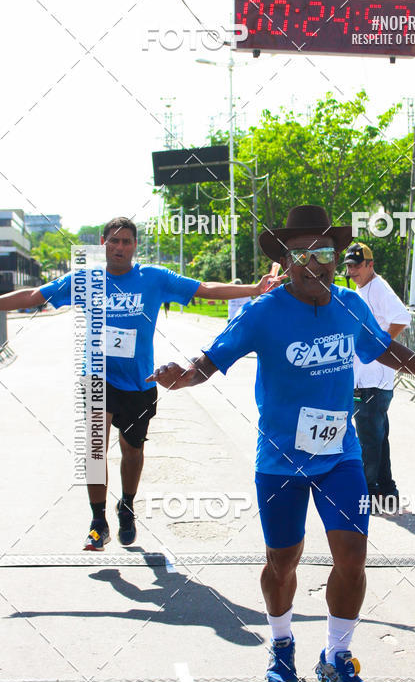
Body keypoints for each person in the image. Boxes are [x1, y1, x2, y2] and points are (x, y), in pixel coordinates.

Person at [148, 205, 415, 682]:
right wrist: (180, 374)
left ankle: (337, 656)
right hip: (281, 462)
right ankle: (282, 644)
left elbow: (384, 350)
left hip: (339, 456)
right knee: (282, 561)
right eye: (305, 253)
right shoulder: (263, 312)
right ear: (287, 261)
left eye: (326, 252)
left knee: (353, 557)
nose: (318, 262)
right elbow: (211, 359)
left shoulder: (350, 304)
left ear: (335, 258)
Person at [0, 216, 278, 552]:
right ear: (103, 244)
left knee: (133, 451)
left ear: (135, 246)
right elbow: (33, 295)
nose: (119, 247)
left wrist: (254, 289)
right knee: (94, 448)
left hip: (138, 381)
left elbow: (204, 288)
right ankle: (97, 521)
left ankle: (127, 506)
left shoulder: (153, 278)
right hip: (97, 375)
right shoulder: (85, 280)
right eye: (113, 241)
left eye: (126, 241)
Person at [344, 241, 411, 511]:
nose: (352, 271)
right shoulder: (363, 289)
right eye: (349, 266)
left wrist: (380, 346)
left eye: (357, 266)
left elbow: (401, 317)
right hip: (368, 377)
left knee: (368, 439)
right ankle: (387, 490)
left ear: (370, 265)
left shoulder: (378, 288)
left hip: (373, 378)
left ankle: (369, 494)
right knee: (378, 437)